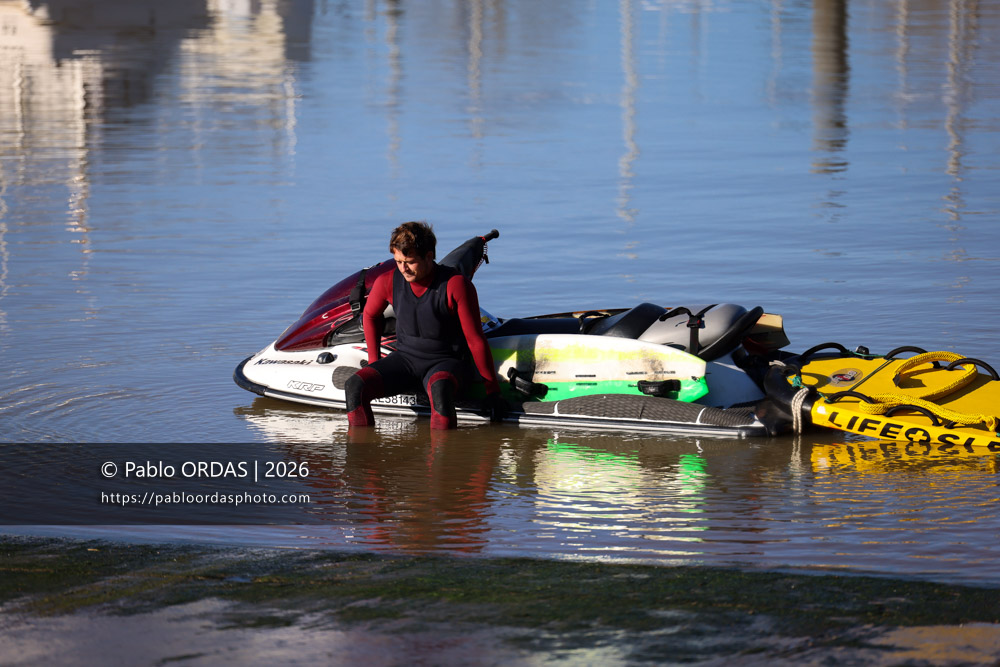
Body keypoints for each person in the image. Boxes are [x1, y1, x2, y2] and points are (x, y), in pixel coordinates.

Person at [345, 221, 505, 429]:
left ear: (429, 256)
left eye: (409, 262)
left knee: (439, 390)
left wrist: (492, 391)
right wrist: (374, 361)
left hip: (445, 363)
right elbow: (370, 316)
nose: (403, 268)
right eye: (398, 261)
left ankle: (446, 459)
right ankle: (362, 457)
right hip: (405, 360)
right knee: (355, 386)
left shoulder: (456, 285)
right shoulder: (387, 281)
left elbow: (475, 340)